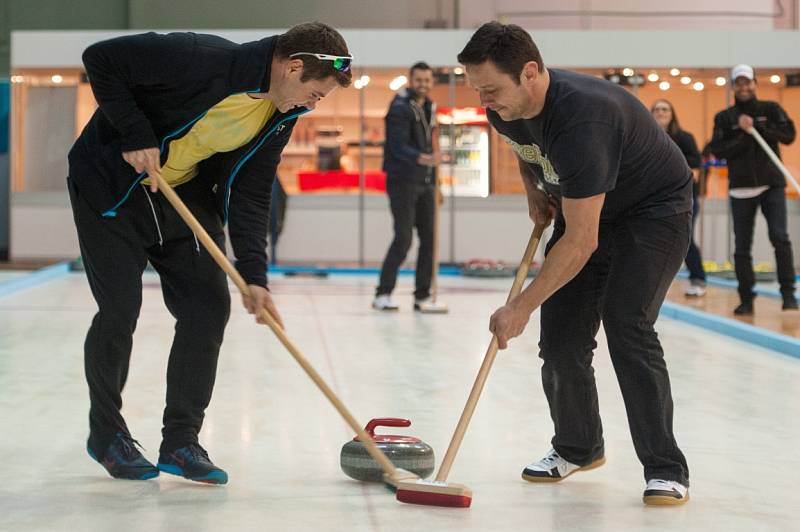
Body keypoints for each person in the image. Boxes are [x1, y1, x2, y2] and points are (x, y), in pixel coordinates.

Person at [68, 23, 351, 484]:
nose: (311, 105)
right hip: (113, 189)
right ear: (293, 66)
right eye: (315, 94)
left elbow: (253, 194)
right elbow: (101, 57)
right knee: (120, 310)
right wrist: (136, 134)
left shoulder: (279, 116)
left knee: (209, 307)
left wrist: (255, 277)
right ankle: (107, 435)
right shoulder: (200, 57)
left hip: (181, 196)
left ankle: (180, 441)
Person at [458, 22, 691, 505]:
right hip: (579, 203)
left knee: (627, 324)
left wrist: (518, 306)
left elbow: (583, 241)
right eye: (477, 90)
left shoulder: (586, 118)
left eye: (492, 90)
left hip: (651, 213)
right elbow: (525, 148)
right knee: (562, 339)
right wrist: (533, 192)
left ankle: (666, 468)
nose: (484, 102)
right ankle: (578, 446)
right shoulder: (505, 108)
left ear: (530, 72)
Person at [706, 64, 798, 315]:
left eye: (748, 82)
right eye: (739, 83)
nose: (744, 87)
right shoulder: (724, 118)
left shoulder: (770, 109)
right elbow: (718, 149)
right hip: (741, 189)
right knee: (742, 246)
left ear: (755, 84)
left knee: (780, 237)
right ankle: (746, 298)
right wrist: (745, 135)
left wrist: (759, 128)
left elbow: (789, 134)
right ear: (734, 86)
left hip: (772, 185)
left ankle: (789, 294)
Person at [373, 62, 440, 311]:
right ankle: (383, 293)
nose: (423, 84)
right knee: (403, 237)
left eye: (427, 80)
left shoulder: (429, 106)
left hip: (425, 182)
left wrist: (434, 183)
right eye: (419, 80)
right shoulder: (400, 107)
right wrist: (424, 159)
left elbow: (429, 144)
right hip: (402, 180)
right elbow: (397, 146)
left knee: (429, 238)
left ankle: (421, 296)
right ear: (411, 80)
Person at [651, 99, 707, 296]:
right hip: (652, 199)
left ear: (672, 113)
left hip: (683, 198)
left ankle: (698, 278)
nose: (660, 112)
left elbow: (696, 168)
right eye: (657, 109)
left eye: (665, 109)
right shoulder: (646, 137)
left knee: (685, 239)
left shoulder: (684, 138)